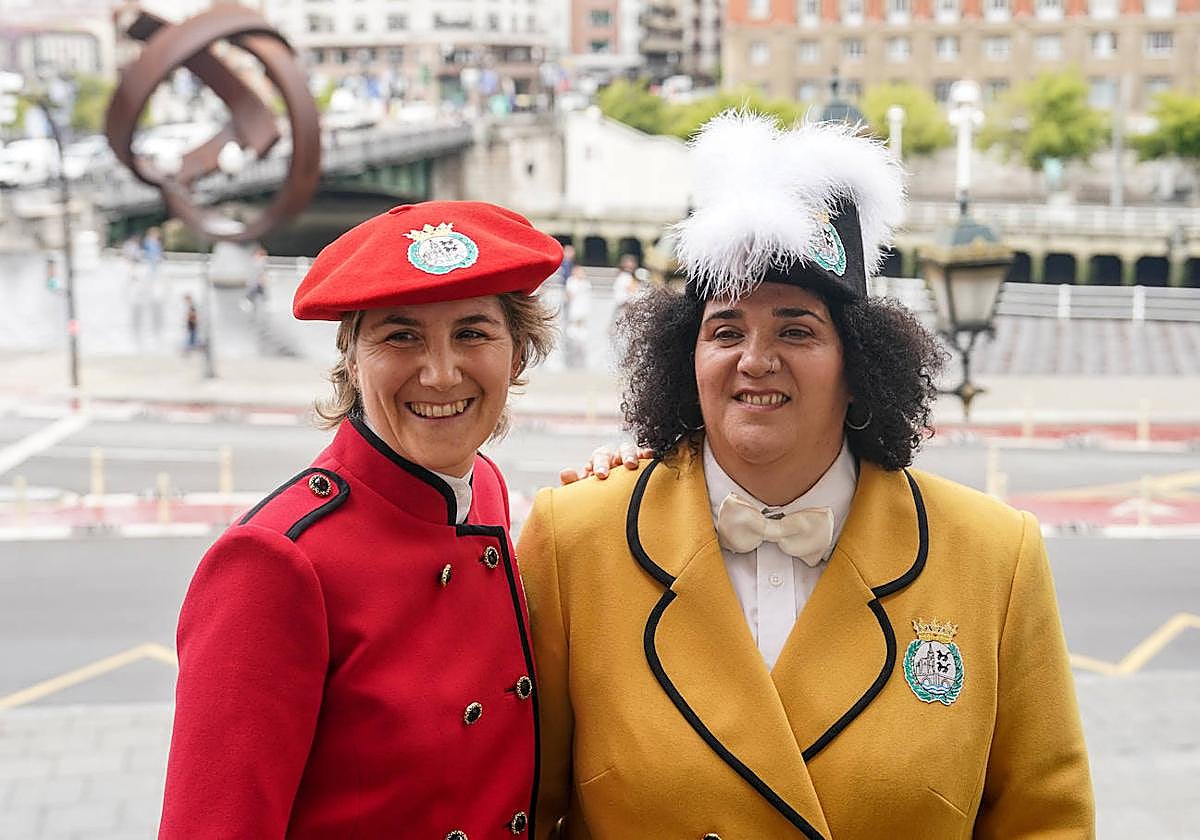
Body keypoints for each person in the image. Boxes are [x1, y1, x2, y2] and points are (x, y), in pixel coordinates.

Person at [518, 114, 1094, 839]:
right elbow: (523, 814)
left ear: (859, 367)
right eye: (725, 330)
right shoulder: (575, 541)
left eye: (797, 329)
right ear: (684, 363)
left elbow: (1046, 822)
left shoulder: (995, 556)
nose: (756, 359)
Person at [159, 201, 563, 839]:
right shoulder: (275, 560)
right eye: (400, 336)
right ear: (351, 358)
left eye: (472, 333)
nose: (440, 372)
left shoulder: (484, 487)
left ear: (517, 356)